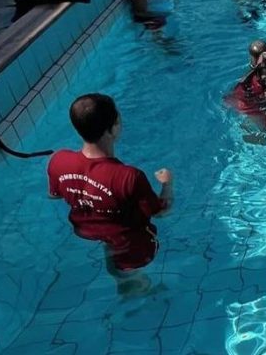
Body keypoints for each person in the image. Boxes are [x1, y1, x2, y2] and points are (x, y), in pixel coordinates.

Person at [47, 94, 173, 295]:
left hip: (85, 235)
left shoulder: (58, 161)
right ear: (113, 129)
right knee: (139, 283)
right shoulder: (129, 177)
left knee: (116, 268)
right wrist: (167, 184)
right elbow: (160, 211)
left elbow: (54, 195)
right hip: (132, 247)